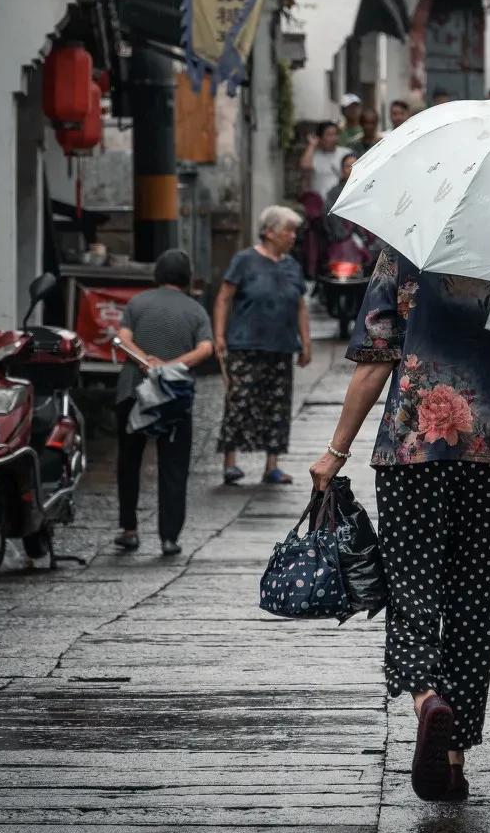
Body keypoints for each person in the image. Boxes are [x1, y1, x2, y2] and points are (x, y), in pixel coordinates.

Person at [309, 252, 490, 802]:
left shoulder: (408, 251)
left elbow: (375, 360)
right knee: (474, 601)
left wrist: (336, 451)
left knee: (412, 587)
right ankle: (453, 762)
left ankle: (427, 696)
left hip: (414, 447)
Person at [114, 250, 214, 557]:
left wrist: (145, 361)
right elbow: (206, 349)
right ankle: (169, 537)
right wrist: (171, 366)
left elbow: (121, 338)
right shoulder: (196, 310)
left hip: (133, 393)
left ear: (157, 275)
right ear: (187, 278)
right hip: (174, 399)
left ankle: (129, 530)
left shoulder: (137, 303)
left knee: (129, 462)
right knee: (174, 467)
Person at [214, 206, 311, 486]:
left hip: (281, 346)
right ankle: (230, 462)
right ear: (269, 232)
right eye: (288, 230)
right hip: (245, 344)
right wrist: (219, 335)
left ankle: (272, 465)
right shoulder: (244, 260)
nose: (293, 236)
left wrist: (306, 342)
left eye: (294, 231)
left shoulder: (292, 266)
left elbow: (301, 307)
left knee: (278, 406)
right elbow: (224, 298)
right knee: (239, 401)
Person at [299, 122, 351, 204]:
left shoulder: (346, 153)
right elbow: (304, 165)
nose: (333, 138)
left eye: (335, 134)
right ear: (320, 137)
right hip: (320, 205)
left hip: (342, 203)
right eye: (329, 135)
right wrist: (312, 144)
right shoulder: (314, 156)